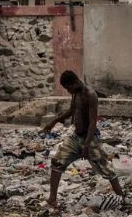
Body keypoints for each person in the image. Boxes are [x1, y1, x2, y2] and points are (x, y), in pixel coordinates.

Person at [43, 70, 124, 209]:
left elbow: (93, 122)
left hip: (91, 138)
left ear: (75, 82)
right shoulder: (76, 94)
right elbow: (71, 111)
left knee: (106, 169)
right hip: (76, 137)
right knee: (57, 162)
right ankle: (52, 199)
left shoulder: (90, 95)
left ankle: (123, 200)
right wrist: (54, 121)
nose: (68, 91)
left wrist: (86, 146)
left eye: (69, 88)